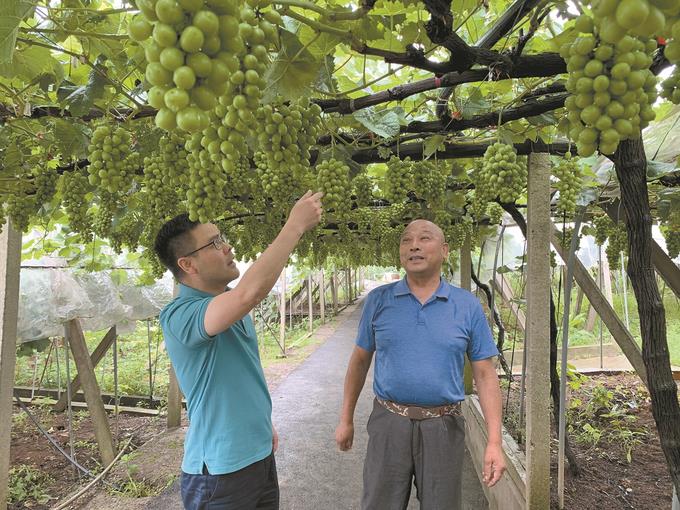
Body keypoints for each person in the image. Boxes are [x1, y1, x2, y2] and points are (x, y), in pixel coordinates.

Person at [154, 191, 323, 510]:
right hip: (219, 473)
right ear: (187, 263)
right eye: (214, 243)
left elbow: (238, 375)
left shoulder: (228, 304)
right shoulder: (179, 314)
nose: (227, 247)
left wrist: (260, 423)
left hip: (257, 456)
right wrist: (294, 226)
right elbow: (250, 293)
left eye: (222, 238)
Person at [335, 219, 505, 510]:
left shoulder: (467, 306)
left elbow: (486, 375)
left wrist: (494, 441)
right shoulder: (379, 300)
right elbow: (359, 361)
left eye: (425, 238)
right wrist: (345, 419)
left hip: (443, 427)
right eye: (406, 240)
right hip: (388, 423)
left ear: (445, 250)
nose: (414, 245)